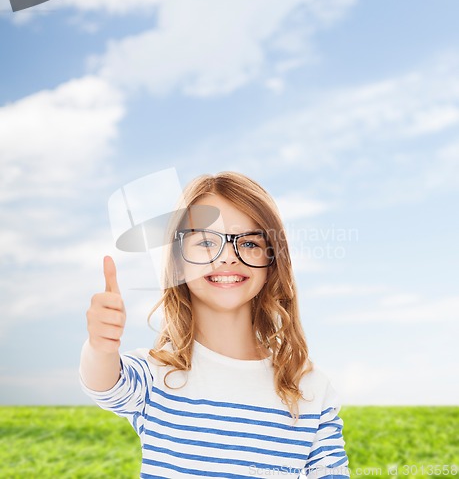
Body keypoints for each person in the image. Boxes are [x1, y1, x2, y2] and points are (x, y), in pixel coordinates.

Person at [79, 171, 350, 478]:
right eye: (207, 242)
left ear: (272, 261)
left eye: (248, 243)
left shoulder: (310, 389)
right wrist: (100, 347)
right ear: (178, 260)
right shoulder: (156, 375)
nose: (229, 257)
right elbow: (105, 385)